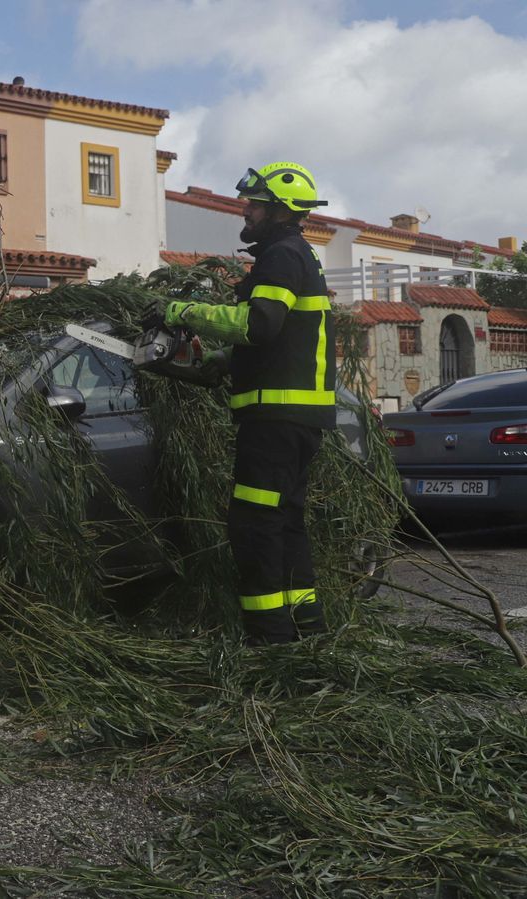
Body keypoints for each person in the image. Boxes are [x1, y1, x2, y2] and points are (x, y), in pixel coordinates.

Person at [163, 161, 335, 645]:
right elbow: (280, 337)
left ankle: (271, 640)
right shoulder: (297, 252)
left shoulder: (281, 255)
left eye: (254, 203)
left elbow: (260, 324)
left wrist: (185, 312)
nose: (247, 209)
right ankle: (308, 629)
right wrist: (225, 359)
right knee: (285, 522)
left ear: (279, 210)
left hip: (276, 420)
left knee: (254, 524)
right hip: (296, 419)